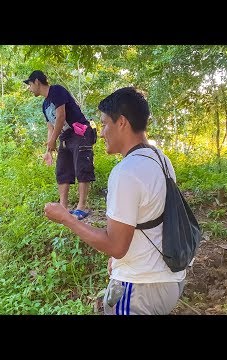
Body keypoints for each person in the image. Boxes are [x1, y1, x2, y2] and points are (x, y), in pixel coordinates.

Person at [43, 87, 185, 315]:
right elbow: (149, 217)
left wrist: (66, 218)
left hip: (139, 288)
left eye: (105, 123)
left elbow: (116, 246)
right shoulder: (161, 159)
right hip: (169, 280)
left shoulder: (126, 171)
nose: (100, 133)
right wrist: (116, 255)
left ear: (122, 123)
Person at [24, 70, 96, 220]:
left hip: (80, 131)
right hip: (65, 136)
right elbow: (50, 127)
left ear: (37, 81)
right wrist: (48, 150)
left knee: (82, 166)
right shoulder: (45, 105)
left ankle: (81, 207)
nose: (29, 88)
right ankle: (63, 207)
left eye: (30, 84)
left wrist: (53, 140)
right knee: (62, 169)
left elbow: (61, 116)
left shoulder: (56, 90)